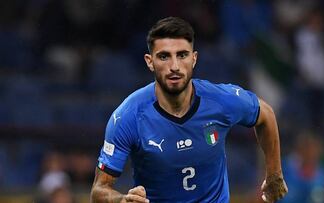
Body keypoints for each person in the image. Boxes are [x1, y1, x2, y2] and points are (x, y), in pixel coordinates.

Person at [90, 17, 288, 203]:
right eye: (164, 56)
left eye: (182, 55)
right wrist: (122, 200)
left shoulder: (221, 100)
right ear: (150, 62)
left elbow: (266, 114)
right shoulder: (128, 116)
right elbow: (99, 190)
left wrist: (274, 174)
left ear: (193, 59)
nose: (174, 66)